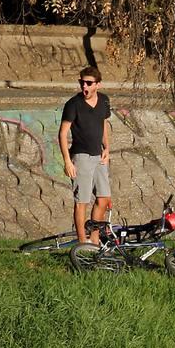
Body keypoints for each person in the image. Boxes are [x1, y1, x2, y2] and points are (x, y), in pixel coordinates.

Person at [57, 65, 112, 246]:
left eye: (89, 83)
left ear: (98, 85)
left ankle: (94, 240)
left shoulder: (104, 101)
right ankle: (82, 243)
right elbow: (63, 133)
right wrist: (67, 161)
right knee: (82, 201)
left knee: (103, 199)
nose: (84, 87)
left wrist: (107, 148)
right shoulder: (73, 104)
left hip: (99, 157)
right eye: (82, 83)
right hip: (81, 157)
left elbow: (103, 124)